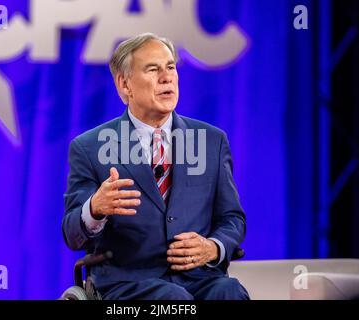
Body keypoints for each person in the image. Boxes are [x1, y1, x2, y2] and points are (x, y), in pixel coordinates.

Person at [62, 33, 249, 300]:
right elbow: (71, 233)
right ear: (124, 84)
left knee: (229, 292)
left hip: (199, 278)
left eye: (170, 67)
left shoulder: (211, 141)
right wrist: (94, 208)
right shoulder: (89, 147)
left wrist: (213, 247)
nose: (166, 77)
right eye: (153, 69)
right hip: (127, 287)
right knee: (172, 300)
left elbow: (232, 218)